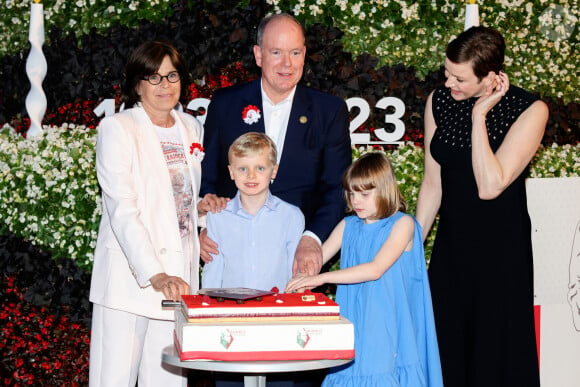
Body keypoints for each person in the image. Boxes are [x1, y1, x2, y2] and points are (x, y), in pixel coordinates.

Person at [415, 26, 548, 387]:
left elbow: (490, 185)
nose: (448, 84)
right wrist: (410, 248)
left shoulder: (530, 109)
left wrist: (479, 117)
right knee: (446, 349)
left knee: (494, 355)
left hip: (500, 254)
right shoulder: (438, 101)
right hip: (452, 248)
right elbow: (432, 184)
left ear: (491, 77)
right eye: (446, 73)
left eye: (459, 78)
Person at [89, 41, 217, 387]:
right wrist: (155, 274)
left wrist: (202, 215)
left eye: (172, 75)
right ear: (137, 84)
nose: (165, 86)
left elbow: (179, 198)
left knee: (167, 382)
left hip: (178, 281)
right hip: (130, 280)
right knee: (111, 380)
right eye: (154, 77)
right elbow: (122, 208)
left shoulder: (191, 128)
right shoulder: (118, 129)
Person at [200, 12, 352, 277]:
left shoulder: (329, 111)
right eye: (276, 53)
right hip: (230, 258)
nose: (287, 64)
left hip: (296, 259)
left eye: (294, 53)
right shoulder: (225, 104)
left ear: (304, 54)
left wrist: (312, 238)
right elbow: (207, 177)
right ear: (258, 55)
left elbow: (336, 188)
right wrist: (204, 227)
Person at [286, 152, 444, 387]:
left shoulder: (404, 224)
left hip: (387, 328)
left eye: (364, 194)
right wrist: (303, 276)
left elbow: (375, 269)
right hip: (353, 323)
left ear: (384, 190)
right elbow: (318, 259)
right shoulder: (348, 225)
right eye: (351, 193)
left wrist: (320, 278)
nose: (356, 201)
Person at [202, 132, 304, 291]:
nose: (251, 175)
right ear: (231, 172)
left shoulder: (291, 216)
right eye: (243, 168)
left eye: (260, 168)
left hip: (276, 309)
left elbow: (295, 270)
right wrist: (207, 305)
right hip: (231, 309)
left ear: (274, 171)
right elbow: (213, 269)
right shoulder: (218, 216)